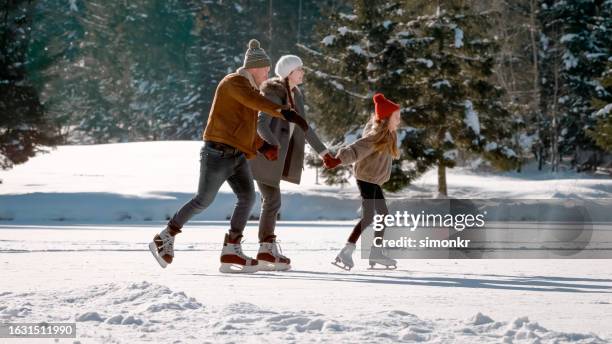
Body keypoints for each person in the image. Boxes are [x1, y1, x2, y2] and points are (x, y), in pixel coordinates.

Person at [149, 39, 309, 273]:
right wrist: (284, 112)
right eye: (265, 69)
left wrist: (263, 147)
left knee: (247, 197)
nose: (267, 74)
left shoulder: (252, 90)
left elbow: (246, 126)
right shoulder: (233, 83)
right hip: (216, 152)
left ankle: (231, 249)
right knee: (203, 200)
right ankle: (165, 236)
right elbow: (253, 101)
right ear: (254, 68)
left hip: (237, 155)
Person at [249, 55, 333, 271]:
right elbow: (261, 124)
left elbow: (305, 128)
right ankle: (264, 248)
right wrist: (273, 145)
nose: (303, 72)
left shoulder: (295, 95)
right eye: (300, 69)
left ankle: (264, 248)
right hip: (264, 155)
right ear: (289, 73)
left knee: (271, 201)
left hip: (275, 158)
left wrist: (323, 152)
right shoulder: (273, 94)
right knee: (272, 200)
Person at [324, 93, 401, 270]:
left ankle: (375, 251)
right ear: (387, 118)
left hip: (373, 181)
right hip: (366, 179)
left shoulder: (389, 136)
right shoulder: (375, 137)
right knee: (370, 216)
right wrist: (338, 159)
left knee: (382, 214)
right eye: (396, 117)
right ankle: (347, 251)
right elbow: (355, 150)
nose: (399, 121)